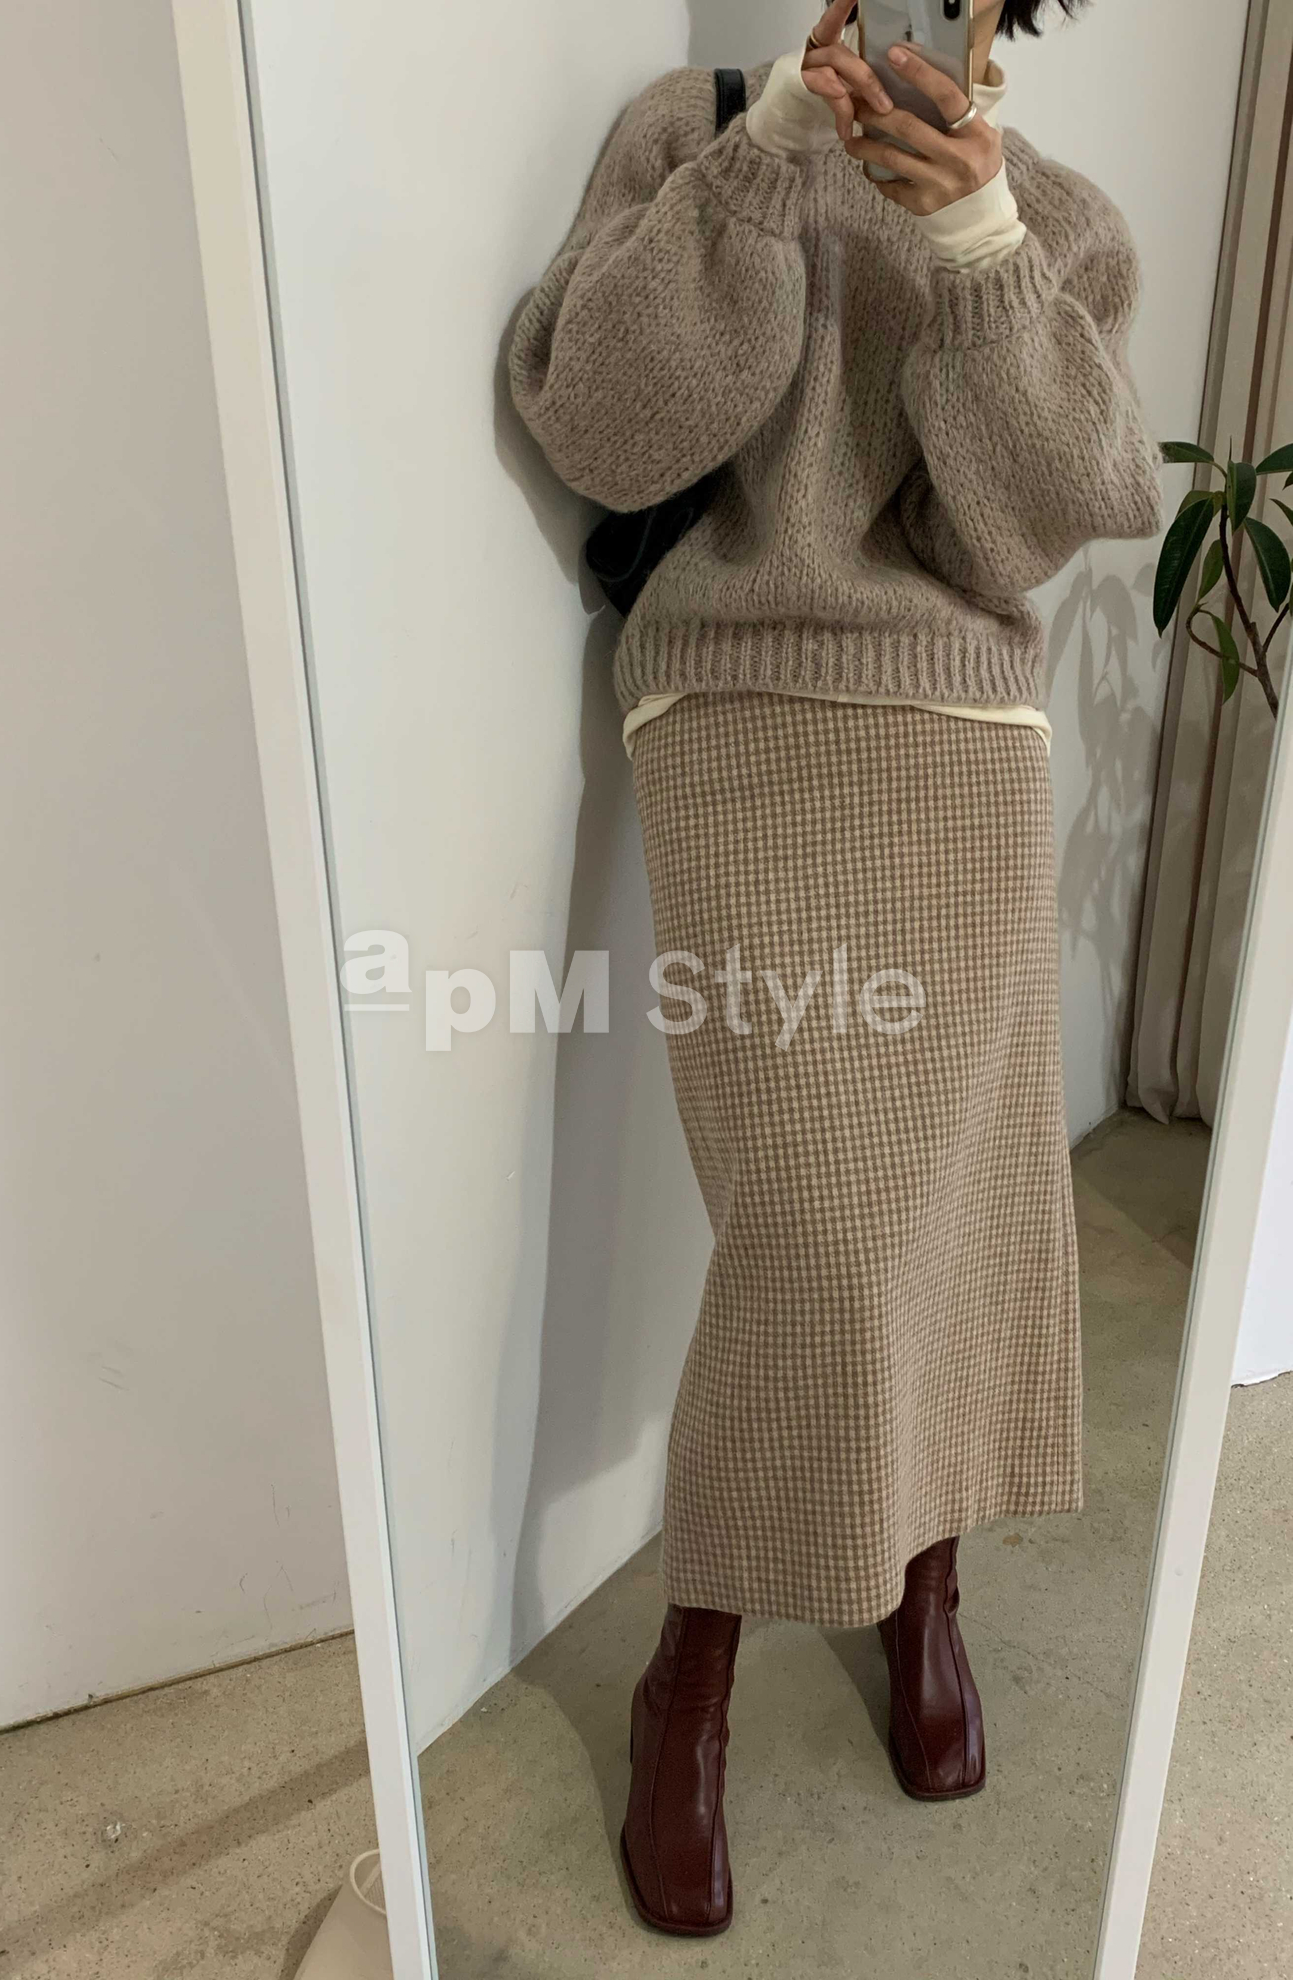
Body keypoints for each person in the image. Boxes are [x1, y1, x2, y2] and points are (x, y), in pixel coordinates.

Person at [508, 0, 1163, 1938]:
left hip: (959, 749)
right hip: (734, 723)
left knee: (962, 1197)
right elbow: (600, 425)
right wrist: (768, 163)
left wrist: (972, 246)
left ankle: (927, 1583)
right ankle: (692, 1670)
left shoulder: (1058, 220)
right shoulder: (693, 134)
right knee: (810, 1225)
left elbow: (1034, 525)